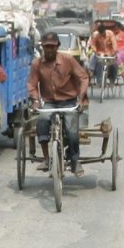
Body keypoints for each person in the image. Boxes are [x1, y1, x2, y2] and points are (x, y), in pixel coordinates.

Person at [30, 32, 89, 175]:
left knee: (72, 132)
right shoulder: (37, 64)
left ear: (57, 46)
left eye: (52, 47)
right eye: (46, 47)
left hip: (68, 102)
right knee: (42, 122)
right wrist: (36, 100)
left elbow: (83, 77)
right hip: (49, 102)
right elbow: (32, 84)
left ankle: (75, 161)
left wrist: (81, 98)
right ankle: (46, 158)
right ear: (42, 47)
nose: (49, 50)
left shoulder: (68, 60)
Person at [88, 22, 117, 87]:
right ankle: (95, 76)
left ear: (105, 31)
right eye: (100, 34)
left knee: (114, 64)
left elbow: (114, 45)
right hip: (100, 53)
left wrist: (113, 53)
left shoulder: (110, 34)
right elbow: (93, 44)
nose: (102, 35)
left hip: (110, 54)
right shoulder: (95, 35)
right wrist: (96, 51)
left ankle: (112, 80)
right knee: (97, 61)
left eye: (103, 33)